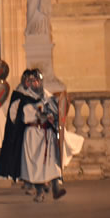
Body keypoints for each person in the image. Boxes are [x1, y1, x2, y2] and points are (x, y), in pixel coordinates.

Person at [19, 69, 66, 202]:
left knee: (52, 161)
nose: (35, 83)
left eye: (37, 80)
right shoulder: (26, 98)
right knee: (36, 165)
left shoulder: (48, 96)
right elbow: (25, 116)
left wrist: (54, 117)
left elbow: (58, 112)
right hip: (33, 135)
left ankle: (56, 188)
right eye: (33, 81)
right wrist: (39, 115)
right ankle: (39, 192)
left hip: (47, 134)